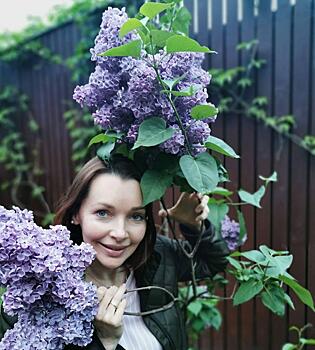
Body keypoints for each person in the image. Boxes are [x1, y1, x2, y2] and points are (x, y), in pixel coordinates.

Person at [0, 154, 229, 350]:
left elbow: (212, 264)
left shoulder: (157, 257)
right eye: (103, 213)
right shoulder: (32, 298)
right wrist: (106, 342)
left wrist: (192, 226)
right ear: (76, 214)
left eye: (136, 216)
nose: (120, 233)